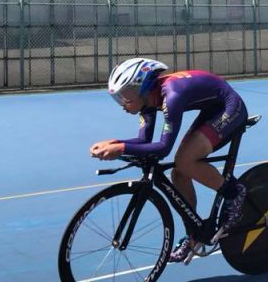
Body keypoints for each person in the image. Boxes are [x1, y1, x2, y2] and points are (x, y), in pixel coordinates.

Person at [89, 58, 249, 264]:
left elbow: (163, 148)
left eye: (124, 97)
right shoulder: (147, 99)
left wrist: (120, 148)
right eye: (117, 98)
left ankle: (234, 193)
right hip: (212, 108)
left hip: (229, 107)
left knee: (185, 161)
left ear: (140, 87)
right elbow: (144, 140)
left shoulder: (171, 96)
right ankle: (194, 234)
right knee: (178, 173)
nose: (122, 104)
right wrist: (115, 143)